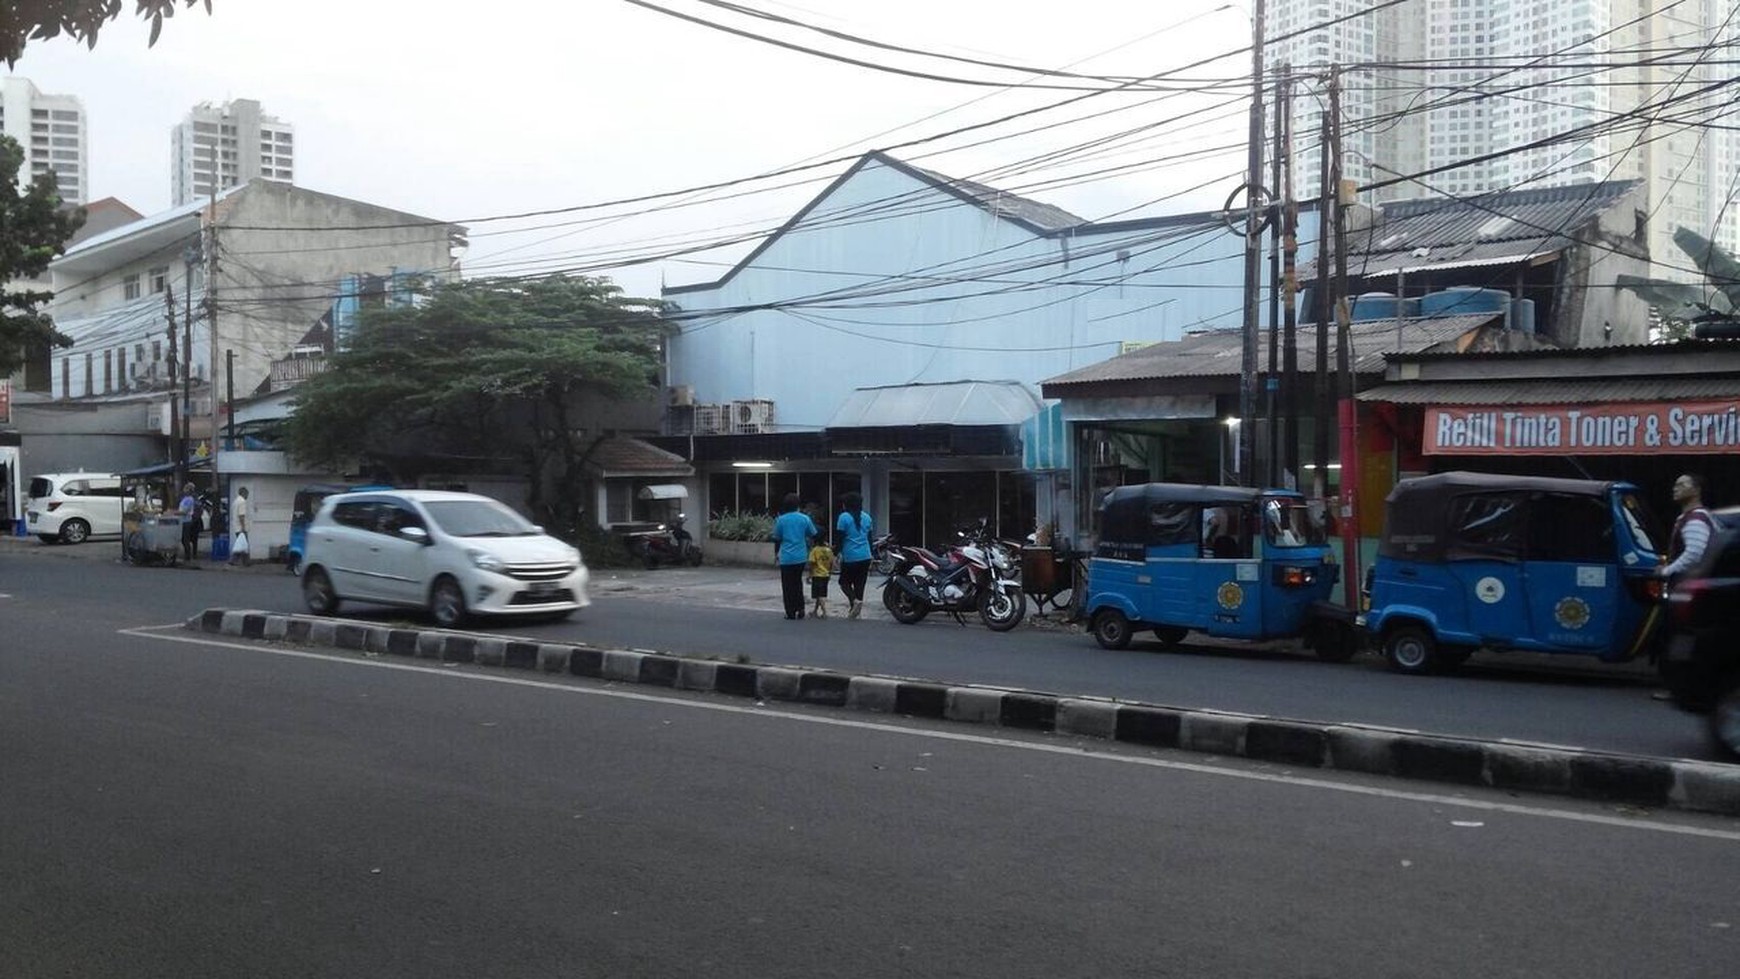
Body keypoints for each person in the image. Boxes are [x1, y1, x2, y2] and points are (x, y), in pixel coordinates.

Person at [770, 493, 819, 620]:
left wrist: (776, 554)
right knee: (798, 583)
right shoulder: (804, 519)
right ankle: (801, 608)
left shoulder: (781, 520)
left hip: (786, 557)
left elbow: (777, 539)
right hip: (800, 556)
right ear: (798, 505)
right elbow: (813, 534)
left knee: (787, 585)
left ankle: (790, 611)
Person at [1660, 473, 1714, 581]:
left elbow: (1694, 554)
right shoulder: (1687, 517)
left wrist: (1667, 571)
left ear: (1696, 490)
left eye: (1681, 485)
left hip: (1692, 584)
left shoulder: (1696, 518)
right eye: (1675, 485)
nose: (1675, 489)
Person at [834, 491, 873, 620]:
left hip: (850, 556)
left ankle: (854, 602)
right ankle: (856, 610)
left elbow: (840, 538)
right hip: (865, 555)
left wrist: (835, 553)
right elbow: (870, 538)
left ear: (847, 504)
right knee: (859, 584)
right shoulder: (867, 517)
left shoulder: (843, 517)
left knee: (844, 582)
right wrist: (871, 554)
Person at [807, 535, 835, 619]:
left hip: (817, 574)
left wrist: (809, 575)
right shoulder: (829, 550)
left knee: (819, 594)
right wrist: (830, 573)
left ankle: (824, 612)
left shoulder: (815, 550)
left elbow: (812, 563)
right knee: (821, 593)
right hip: (825, 574)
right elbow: (831, 563)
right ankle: (815, 610)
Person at [178, 482, 202, 561]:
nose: (184, 490)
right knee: (184, 539)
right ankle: (188, 554)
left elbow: (185, 511)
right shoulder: (184, 498)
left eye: (186, 488)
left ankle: (188, 556)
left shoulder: (190, 499)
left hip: (187, 521)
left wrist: (175, 513)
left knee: (187, 539)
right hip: (183, 521)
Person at [230, 486, 251, 567]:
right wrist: (243, 527)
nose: (247, 496)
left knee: (241, 544)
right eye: (247, 494)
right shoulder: (242, 502)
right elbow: (241, 515)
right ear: (244, 493)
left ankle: (243, 561)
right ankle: (242, 561)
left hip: (236, 526)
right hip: (241, 527)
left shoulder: (235, 501)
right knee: (244, 545)